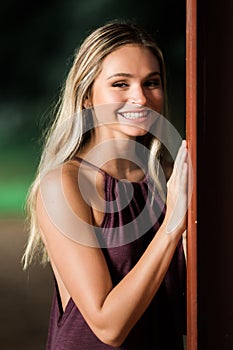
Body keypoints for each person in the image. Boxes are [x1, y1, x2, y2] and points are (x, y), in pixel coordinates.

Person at [22, 21, 188, 349]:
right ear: (87, 96)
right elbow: (107, 327)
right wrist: (172, 227)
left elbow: (185, 310)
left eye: (151, 82)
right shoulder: (64, 184)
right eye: (120, 84)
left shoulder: (173, 180)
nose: (140, 97)